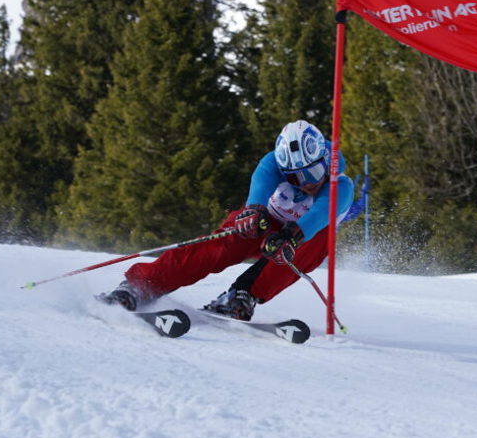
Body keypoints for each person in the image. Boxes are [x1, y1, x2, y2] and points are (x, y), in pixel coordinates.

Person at [102, 120, 355, 321]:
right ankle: (143, 284)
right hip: (267, 222)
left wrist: (290, 236)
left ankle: (242, 295)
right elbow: (259, 187)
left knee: (308, 246)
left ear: (323, 160)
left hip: (303, 235)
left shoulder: (340, 185)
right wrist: (253, 212)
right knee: (220, 245)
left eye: (313, 172)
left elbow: (321, 212)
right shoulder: (272, 164)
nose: (308, 182)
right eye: (296, 178)